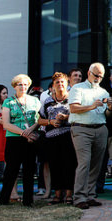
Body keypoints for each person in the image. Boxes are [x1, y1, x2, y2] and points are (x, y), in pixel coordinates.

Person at [68, 63, 112, 209]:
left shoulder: (103, 92)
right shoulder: (78, 88)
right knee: (84, 162)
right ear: (89, 73)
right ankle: (79, 197)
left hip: (100, 128)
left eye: (101, 76)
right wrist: (91, 106)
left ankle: (90, 194)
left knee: (96, 164)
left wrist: (110, 107)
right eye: (96, 75)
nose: (98, 78)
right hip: (81, 128)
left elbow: (107, 114)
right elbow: (73, 108)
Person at [0, 74, 42, 206]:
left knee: (29, 169)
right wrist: (23, 132)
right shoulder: (8, 102)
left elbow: (39, 119)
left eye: (25, 84)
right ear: (15, 86)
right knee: (11, 169)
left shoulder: (35, 101)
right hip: (14, 139)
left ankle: (28, 200)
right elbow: (6, 123)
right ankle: (4, 199)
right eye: (20, 84)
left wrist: (31, 130)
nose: (23, 87)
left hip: (31, 139)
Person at [39, 72, 76, 204]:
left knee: (69, 165)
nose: (60, 85)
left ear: (67, 84)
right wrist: (50, 122)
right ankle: (57, 194)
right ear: (53, 85)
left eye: (62, 82)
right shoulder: (47, 101)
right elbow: (39, 119)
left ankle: (69, 194)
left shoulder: (73, 99)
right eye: (57, 83)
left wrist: (66, 117)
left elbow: (78, 116)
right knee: (55, 166)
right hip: (51, 138)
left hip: (68, 136)